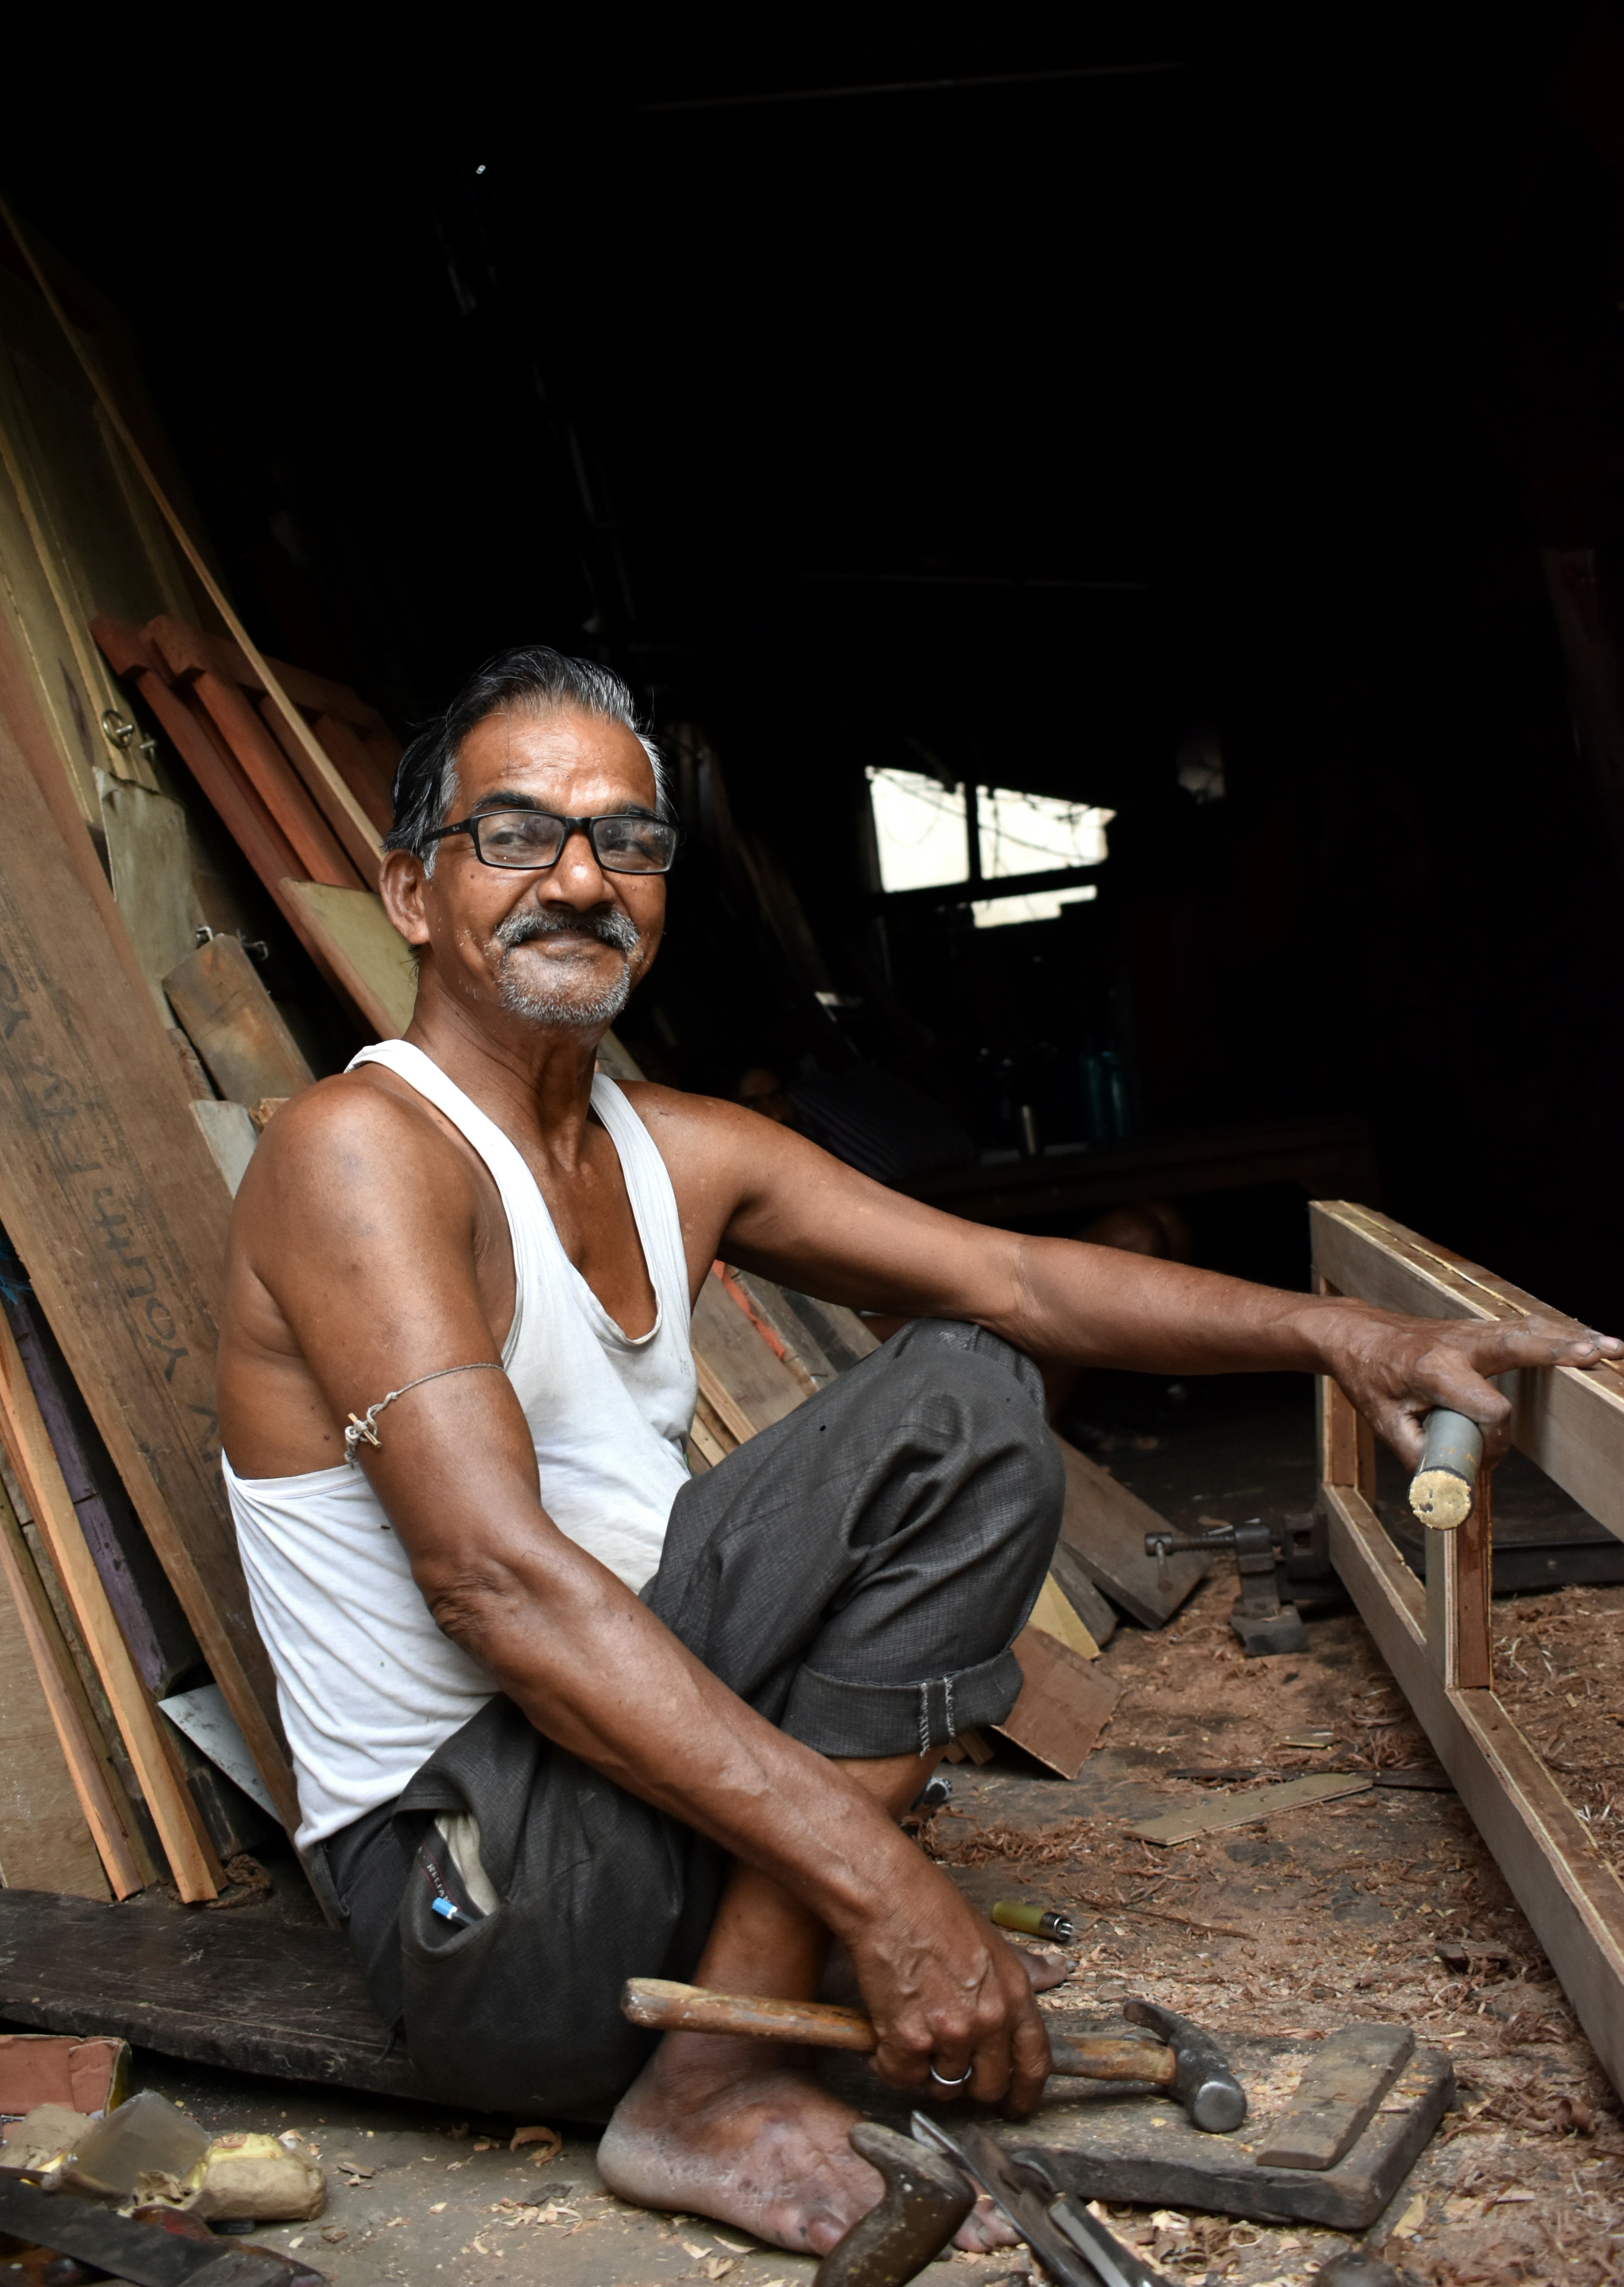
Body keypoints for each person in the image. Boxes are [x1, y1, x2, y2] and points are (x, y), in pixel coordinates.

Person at [217, 646, 1619, 2258]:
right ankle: (716, 2075)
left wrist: (1350, 1337)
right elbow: (495, 1586)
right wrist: (883, 1887)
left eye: (630, 841)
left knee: (979, 1383)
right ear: (410, 890)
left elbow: (1018, 1278)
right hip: (482, 1916)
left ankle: (719, 2036)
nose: (584, 880)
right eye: (517, 835)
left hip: (630, 1864)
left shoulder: (675, 1148)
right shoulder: (359, 1152)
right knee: (950, 1407)